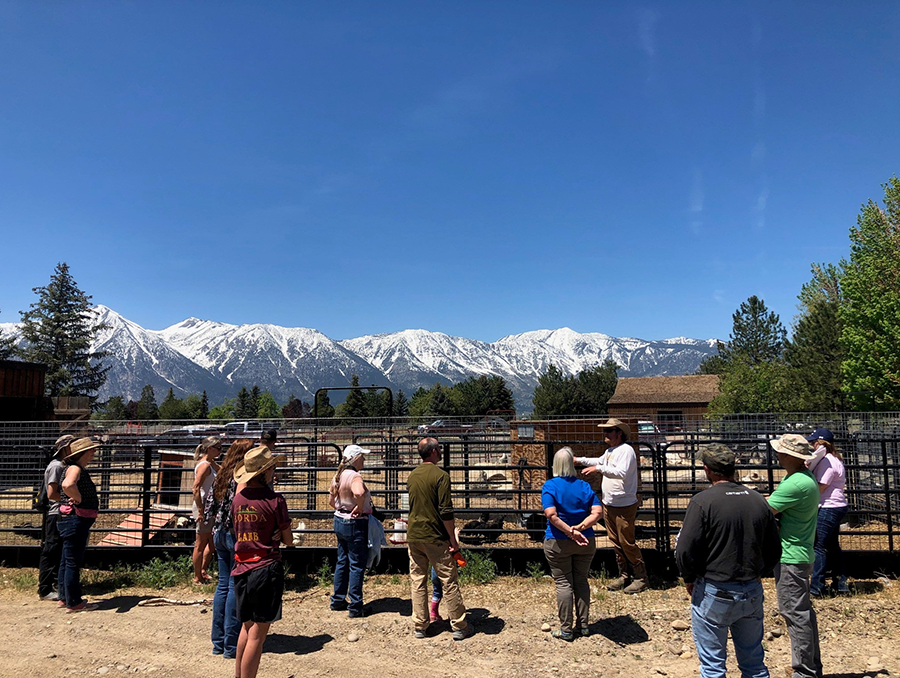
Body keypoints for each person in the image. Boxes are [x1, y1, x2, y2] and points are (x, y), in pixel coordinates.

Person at [676, 444, 781, 678]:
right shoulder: (757, 500)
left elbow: (685, 549)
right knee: (754, 663)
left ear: (708, 470)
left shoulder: (702, 502)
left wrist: (689, 577)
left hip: (715, 589)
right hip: (751, 589)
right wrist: (758, 572)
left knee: (713, 666)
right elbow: (775, 548)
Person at [231, 445, 291, 678]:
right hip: (265, 566)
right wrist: (278, 533)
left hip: (241, 567)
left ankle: (238, 675)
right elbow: (288, 539)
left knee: (246, 628)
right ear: (265, 473)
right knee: (258, 634)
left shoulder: (238, 500)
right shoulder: (275, 500)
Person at [768, 434, 822, 678]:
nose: (776, 454)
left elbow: (767, 509)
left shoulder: (795, 483)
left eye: (780, 451)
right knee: (803, 613)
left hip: (791, 556)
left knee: (794, 613)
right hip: (800, 552)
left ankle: (804, 671)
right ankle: (811, 666)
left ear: (789, 456)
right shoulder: (802, 478)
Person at [407, 437, 471, 641]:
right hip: (435, 535)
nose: (441, 450)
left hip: (414, 535)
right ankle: (459, 624)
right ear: (434, 451)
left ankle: (420, 625)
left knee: (418, 580)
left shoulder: (412, 476)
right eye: (439, 448)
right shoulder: (441, 476)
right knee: (448, 580)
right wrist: (453, 539)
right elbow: (445, 510)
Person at [575, 418, 647, 593]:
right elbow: (599, 461)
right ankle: (625, 575)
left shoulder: (626, 451)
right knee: (616, 541)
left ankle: (641, 577)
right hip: (610, 503)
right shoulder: (610, 451)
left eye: (609, 431)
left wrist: (599, 469)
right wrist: (580, 460)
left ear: (619, 433)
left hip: (624, 504)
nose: (605, 434)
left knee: (626, 542)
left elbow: (621, 472)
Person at [541, 447, 603, 641]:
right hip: (586, 541)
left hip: (558, 541)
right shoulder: (584, 486)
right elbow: (598, 512)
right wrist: (581, 527)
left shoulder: (550, 486)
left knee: (563, 583)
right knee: (581, 580)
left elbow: (551, 514)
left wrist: (570, 531)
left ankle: (566, 629)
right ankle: (583, 625)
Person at [207, 438, 254, 659]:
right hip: (235, 534)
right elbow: (239, 505)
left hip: (219, 532)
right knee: (236, 587)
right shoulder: (241, 476)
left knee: (223, 585)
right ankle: (231, 644)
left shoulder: (222, 474)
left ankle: (218, 641)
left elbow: (210, 504)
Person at [57, 437, 102, 613]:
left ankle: (64, 597)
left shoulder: (73, 468)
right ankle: (74, 602)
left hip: (70, 519)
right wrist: (79, 498)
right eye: (91, 450)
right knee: (72, 561)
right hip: (76, 519)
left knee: (66, 559)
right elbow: (67, 484)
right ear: (82, 453)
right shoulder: (75, 469)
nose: (94, 453)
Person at [329, 444, 374, 617]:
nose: (364, 459)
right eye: (362, 456)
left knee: (342, 560)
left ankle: (338, 599)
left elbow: (331, 502)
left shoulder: (338, 476)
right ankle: (355, 606)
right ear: (355, 459)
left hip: (339, 519)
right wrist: (360, 507)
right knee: (356, 564)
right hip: (354, 523)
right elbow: (359, 492)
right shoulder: (355, 476)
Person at [806, 428, 849, 596]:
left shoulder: (826, 462)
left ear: (820, 443)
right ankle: (841, 583)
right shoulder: (833, 459)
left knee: (819, 546)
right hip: (835, 506)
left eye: (813, 442)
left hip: (828, 506)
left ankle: (817, 587)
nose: (811, 445)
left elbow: (821, 487)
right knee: (832, 545)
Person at [37, 434, 75, 601]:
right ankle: (44, 589)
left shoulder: (61, 465)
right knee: (51, 549)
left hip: (60, 512)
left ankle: (54, 585)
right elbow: (52, 493)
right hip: (56, 512)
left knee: (57, 550)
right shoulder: (56, 466)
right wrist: (72, 498)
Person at [192, 436, 221, 585]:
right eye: (218, 448)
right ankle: (197, 576)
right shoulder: (204, 466)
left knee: (211, 541)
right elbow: (196, 488)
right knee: (201, 542)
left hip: (211, 506)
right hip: (204, 507)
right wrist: (201, 511)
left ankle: (202, 570)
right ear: (210, 448)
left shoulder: (209, 463)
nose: (220, 451)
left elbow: (222, 472)